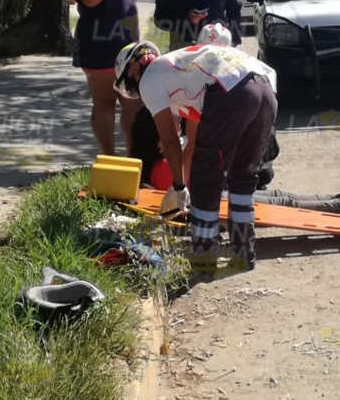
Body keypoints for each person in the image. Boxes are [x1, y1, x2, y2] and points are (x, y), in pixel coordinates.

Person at [114, 40, 276, 277]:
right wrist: (181, 183)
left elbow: (170, 141)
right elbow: (193, 140)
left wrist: (180, 186)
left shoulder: (150, 79)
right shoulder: (183, 69)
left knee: (205, 183)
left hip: (231, 95)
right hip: (266, 88)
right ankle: (244, 253)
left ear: (133, 70)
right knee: (243, 178)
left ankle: (203, 258)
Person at [128, 106, 340, 215]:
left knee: (282, 195)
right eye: (171, 125)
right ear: (157, 135)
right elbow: (195, 181)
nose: (176, 126)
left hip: (220, 194)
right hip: (218, 202)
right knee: (286, 203)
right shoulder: (162, 168)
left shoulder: (161, 160)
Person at [71, 0, 142, 156]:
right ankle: (109, 158)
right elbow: (90, 0)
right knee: (105, 103)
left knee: (134, 105)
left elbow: (130, 0)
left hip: (129, 47)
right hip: (99, 45)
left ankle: (133, 159)